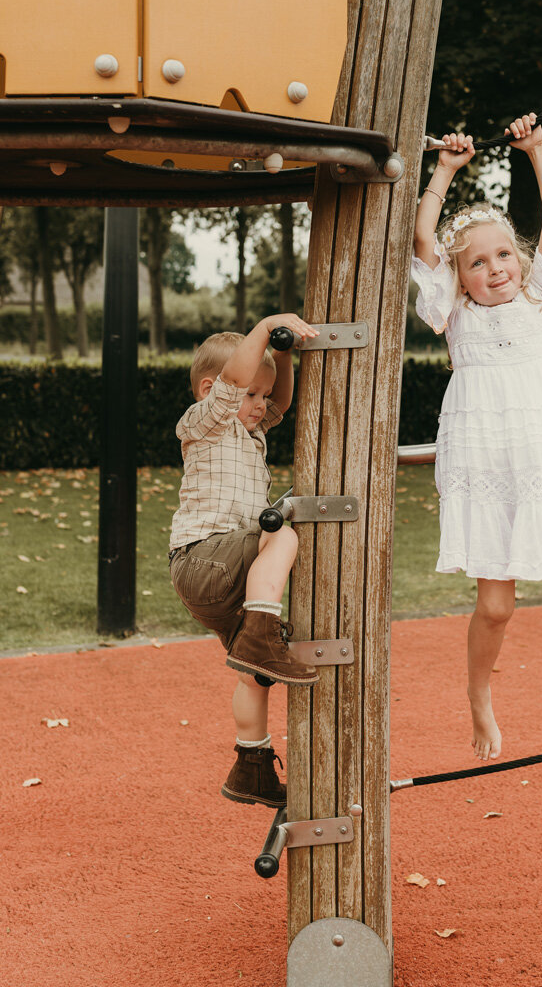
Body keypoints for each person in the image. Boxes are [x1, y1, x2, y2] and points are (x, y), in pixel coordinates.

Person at [411, 112, 542, 761]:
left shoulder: (541, 296)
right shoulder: (453, 313)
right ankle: (480, 699)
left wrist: (535, 149)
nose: (495, 267)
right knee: (498, 606)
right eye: (477, 262)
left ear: (520, 258)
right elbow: (425, 238)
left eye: (503, 253)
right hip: (490, 463)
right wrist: (443, 171)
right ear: (461, 275)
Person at [169, 314, 319, 808]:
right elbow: (235, 381)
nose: (259, 406)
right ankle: (262, 629)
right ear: (211, 388)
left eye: (260, 397)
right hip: (205, 557)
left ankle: (250, 765)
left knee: (253, 673)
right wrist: (268, 326)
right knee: (284, 536)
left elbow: (282, 401)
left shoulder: (252, 432)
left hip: (219, 579)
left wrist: (284, 356)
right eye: (251, 396)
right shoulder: (206, 421)